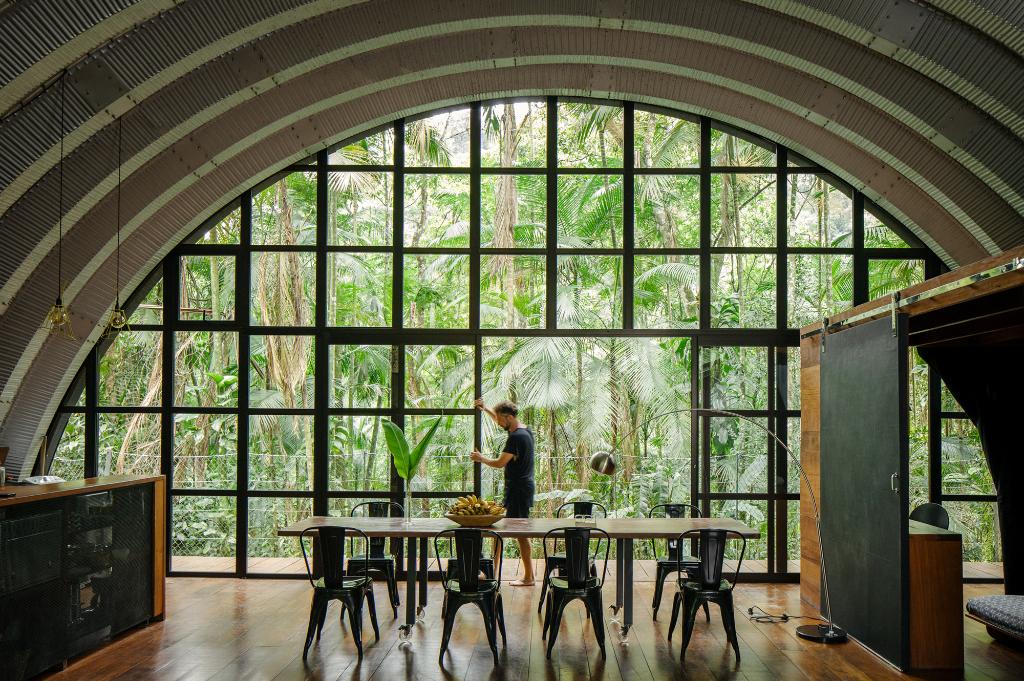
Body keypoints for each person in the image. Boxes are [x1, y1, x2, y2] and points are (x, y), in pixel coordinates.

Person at [470, 398, 536, 586]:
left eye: (500, 419)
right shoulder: (524, 430)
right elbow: (498, 418)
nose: (498, 423)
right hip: (520, 489)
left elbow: (500, 463)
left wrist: (481, 458)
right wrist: (485, 409)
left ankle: (528, 577)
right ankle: (493, 571)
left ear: (509, 417)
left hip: (518, 491)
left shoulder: (516, 438)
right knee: (503, 530)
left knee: (519, 534)